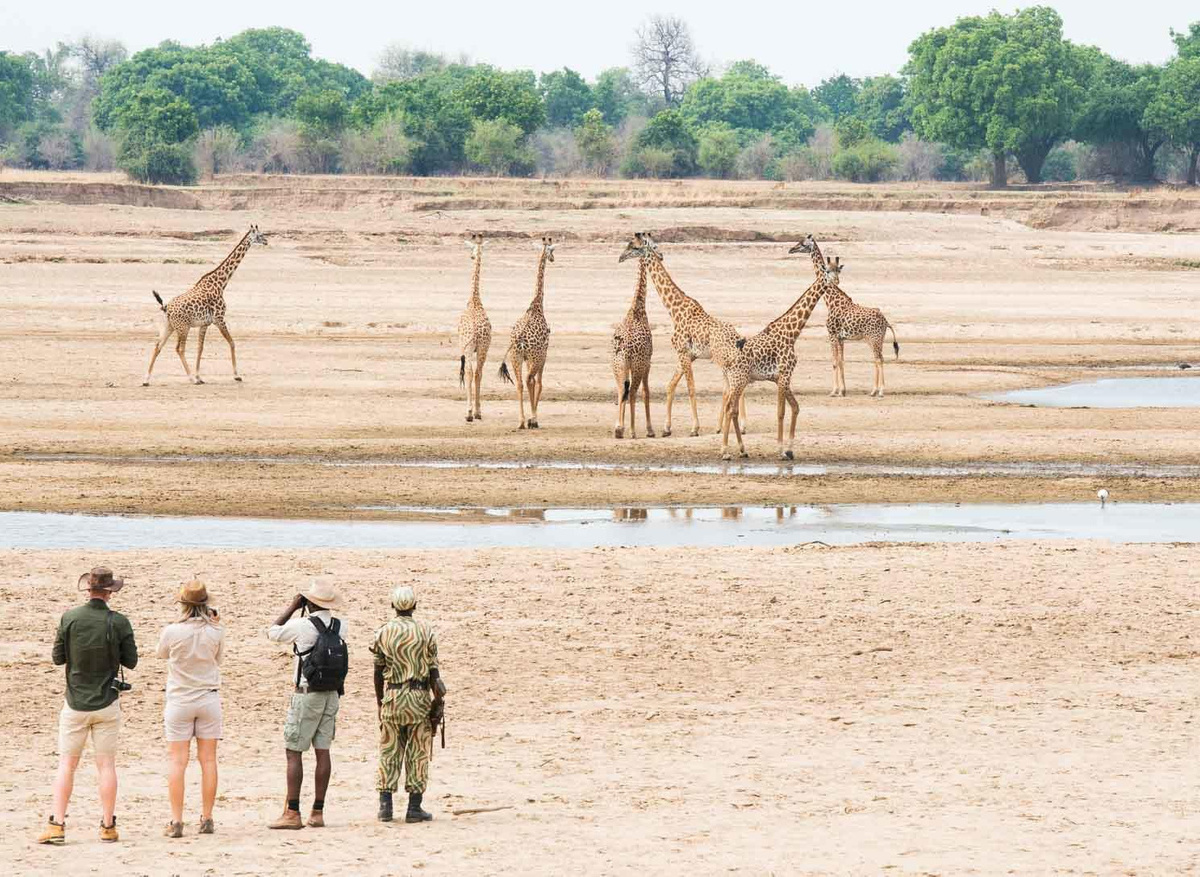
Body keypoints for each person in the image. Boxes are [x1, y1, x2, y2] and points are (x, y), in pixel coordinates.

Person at [39, 567, 139, 845]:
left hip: (75, 702)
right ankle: (108, 825)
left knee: (66, 765)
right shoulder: (118, 621)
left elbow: (58, 658)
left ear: (88, 590)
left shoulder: (69, 617)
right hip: (107, 701)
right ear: (110, 592)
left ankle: (57, 824)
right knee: (106, 765)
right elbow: (131, 661)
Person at [265, 577, 348, 830]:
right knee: (323, 751)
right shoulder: (340, 626)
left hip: (307, 693)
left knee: (294, 751)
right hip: (331, 694)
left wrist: (292, 606)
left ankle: (292, 812)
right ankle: (318, 811)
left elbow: (272, 632)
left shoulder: (302, 625)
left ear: (309, 601)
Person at [371, 585, 446, 823]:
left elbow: (377, 670)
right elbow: (434, 672)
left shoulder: (383, 632)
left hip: (393, 697)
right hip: (419, 697)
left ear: (393, 606)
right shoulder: (426, 631)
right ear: (414, 605)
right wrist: (438, 701)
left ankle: (385, 806)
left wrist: (380, 702)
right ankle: (414, 807)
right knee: (418, 752)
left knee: (389, 751)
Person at [156, 580, 225, 838]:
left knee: (177, 761)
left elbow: (160, 654)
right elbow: (218, 660)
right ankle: (207, 817)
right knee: (208, 760)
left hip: (180, 699)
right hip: (208, 697)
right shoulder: (217, 631)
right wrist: (215, 624)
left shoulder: (172, 631)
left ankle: (176, 820)